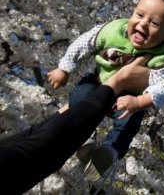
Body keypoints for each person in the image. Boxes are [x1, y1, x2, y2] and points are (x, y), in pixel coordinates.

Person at [46, 0, 164, 180]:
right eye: (139, 15)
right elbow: (83, 43)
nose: (143, 24)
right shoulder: (113, 31)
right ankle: (83, 137)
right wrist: (64, 68)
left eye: (154, 23)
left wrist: (138, 103)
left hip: (131, 97)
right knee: (80, 97)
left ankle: (109, 152)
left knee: (129, 123)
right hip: (98, 82)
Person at [0, 57, 151, 194]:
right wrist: (118, 82)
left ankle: (102, 144)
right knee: (44, 150)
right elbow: (42, 148)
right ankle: (109, 147)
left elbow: (36, 134)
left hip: (97, 91)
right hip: (110, 83)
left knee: (44, 137)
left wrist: (65, 72)